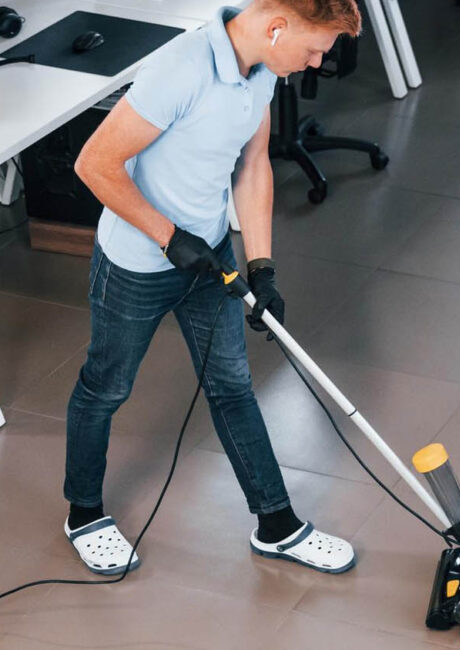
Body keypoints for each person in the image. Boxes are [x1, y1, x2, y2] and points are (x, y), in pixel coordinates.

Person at [65, 0, 363, 576]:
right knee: (106, 388)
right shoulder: (180, 69)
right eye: (314, 49)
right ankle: (84, 514)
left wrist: (262, 266)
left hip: (208, 257)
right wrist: (168, 237)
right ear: (277, 27)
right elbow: (94, 163)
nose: (315, 63)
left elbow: (254, 165)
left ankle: (277, 525)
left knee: (232, 386)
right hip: (136, 265)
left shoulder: (262, 71)